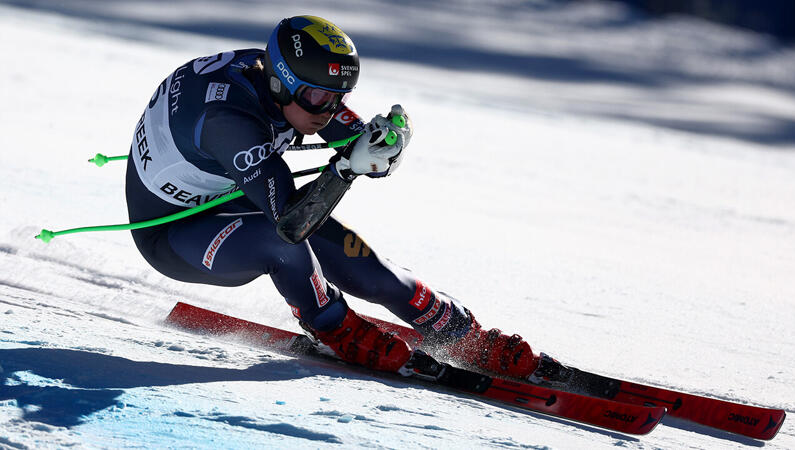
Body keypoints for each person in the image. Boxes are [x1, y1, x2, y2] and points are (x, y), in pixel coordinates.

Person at [126, 15, 553, 380]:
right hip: (173, 233)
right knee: (283, 245)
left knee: (368, 270)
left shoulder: (287, 86)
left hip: (234, 197)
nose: (327, 111)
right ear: (280, 82)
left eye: (339, 96)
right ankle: (332, 327)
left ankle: (464, 336)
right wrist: (347, 167)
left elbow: (356, 139)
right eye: (317, 97)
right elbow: (291, 224)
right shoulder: (228, 120)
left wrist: (382, 145)